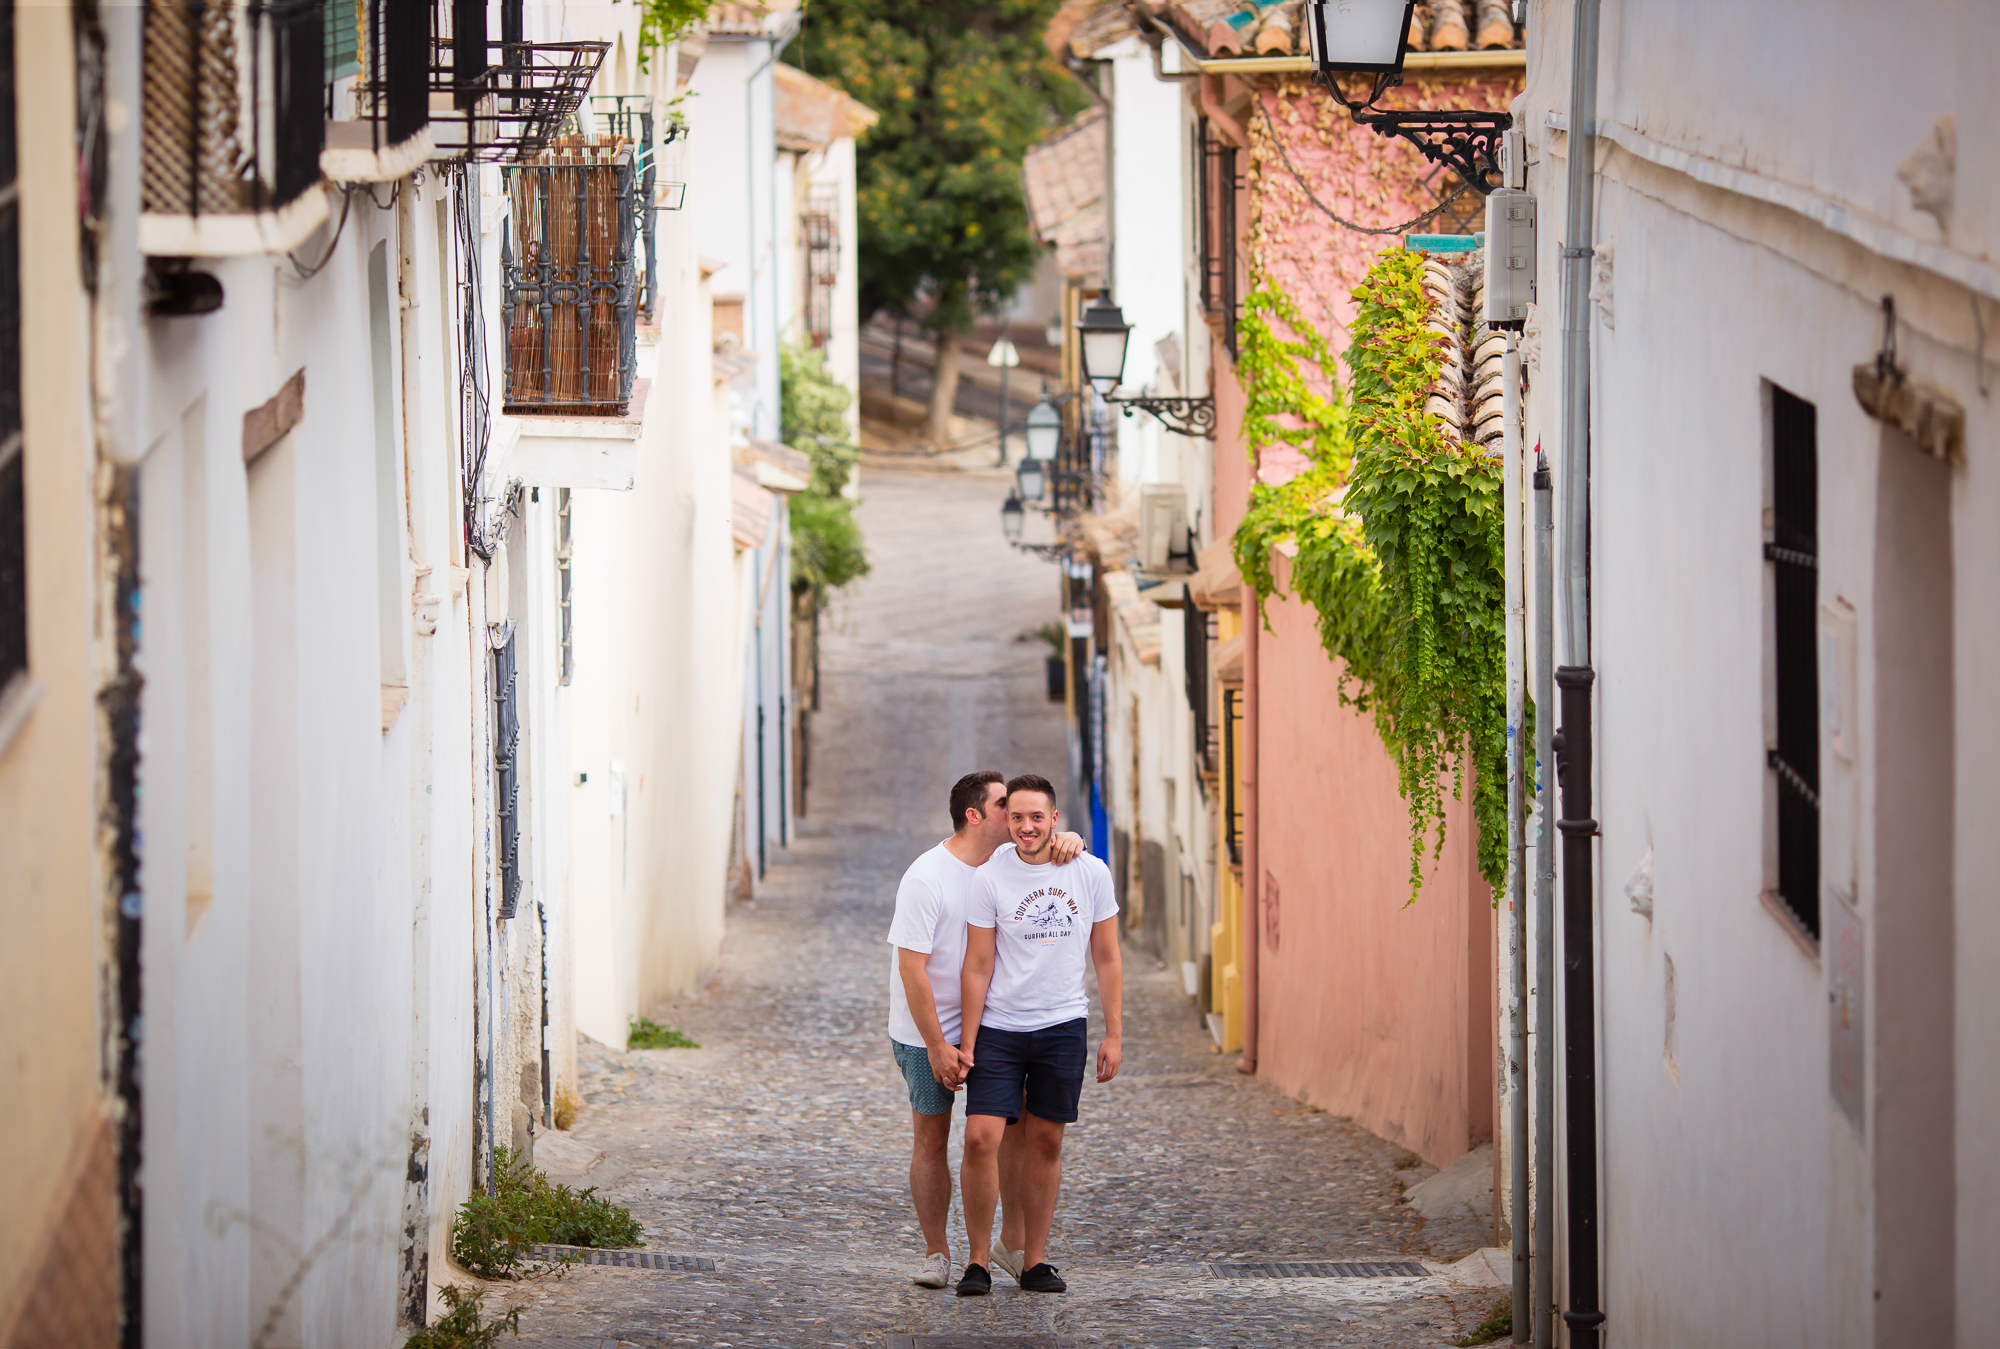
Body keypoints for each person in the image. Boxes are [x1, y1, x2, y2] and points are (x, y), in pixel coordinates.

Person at [886, 770, 1085, 1289]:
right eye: (1004, 807)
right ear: (976, 816)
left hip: (995, 1028)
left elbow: (1053, 850)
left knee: (1010, 1136)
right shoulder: (927, 877)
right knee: (933, 1139)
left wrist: (1073, 839)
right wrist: (935, 1045)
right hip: (927, 1032)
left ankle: (1013, 1248)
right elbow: (912, 969)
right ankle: (936, 1253)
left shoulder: (1003, 863)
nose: (1015, 816)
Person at [954, 773, 1122, 1297]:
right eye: (1017, 816)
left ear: (1054, 819)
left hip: (1062, 1025)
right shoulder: (989, 878)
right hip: (1001, 1028)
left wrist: (1114, 1033)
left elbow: (1108, 957)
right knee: (981, 1138)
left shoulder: (1090, 872)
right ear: (1008, 820)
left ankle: (1034, 1261)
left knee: (1047, 1140)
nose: (1027, 826)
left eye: (1037, 817)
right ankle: (978, 1261)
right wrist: (968, 1041)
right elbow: (977, 966)